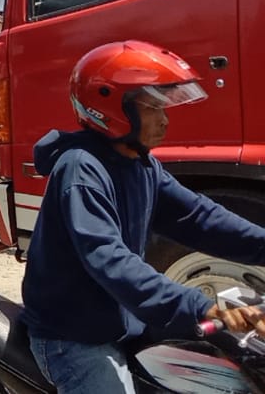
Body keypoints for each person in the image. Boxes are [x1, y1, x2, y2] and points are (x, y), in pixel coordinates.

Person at [22, 40, 265, 393]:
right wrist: (201, 306)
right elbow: (110, 260)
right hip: (74, 336)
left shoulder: (141, 164)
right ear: (112, 108)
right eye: (153, 107)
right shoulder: (81, 170)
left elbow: (200, 217)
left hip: (125, 321)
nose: (164, 119)